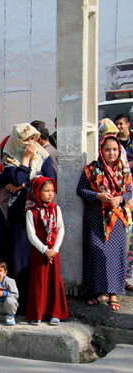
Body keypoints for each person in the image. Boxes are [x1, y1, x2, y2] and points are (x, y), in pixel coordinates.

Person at [0, 123, 56, 312]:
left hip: (41, 215)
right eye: (27, 139)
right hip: (19, 216)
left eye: (33, 139)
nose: (31, 143)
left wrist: (23, 186)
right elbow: (16, 179)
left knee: (38, 259)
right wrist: (27, 159)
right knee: (19, 258)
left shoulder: (44, 156)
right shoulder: (10, 156)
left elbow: (48, 182)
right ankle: (19, 305)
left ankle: (39, 304)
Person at [77, 119, 132, 311]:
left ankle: (114, 292)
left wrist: (121, 199)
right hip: (95, 217)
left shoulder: (123, 170)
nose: (111, 153)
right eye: (108, 150)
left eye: (115, 150)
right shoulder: (91, 169)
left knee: (115, 255)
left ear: (119, 150)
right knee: (95, 252)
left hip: (116, 219)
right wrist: (98, 196)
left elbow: (129, 191)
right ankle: (98, 291)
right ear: (101, 150)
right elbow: (81, 190)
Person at [25, 177, 68, 325]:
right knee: (38, 281)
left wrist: (54, 250)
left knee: (54, 281)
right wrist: (45, 250)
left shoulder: (56, 209)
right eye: (46, 190)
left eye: (52, 191)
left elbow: (61, 229)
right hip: (39, 252)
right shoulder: (31, 211)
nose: (50, 194)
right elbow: (31, 235)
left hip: (53, 252)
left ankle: (55, 313)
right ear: (37, 192)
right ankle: (37, 313)